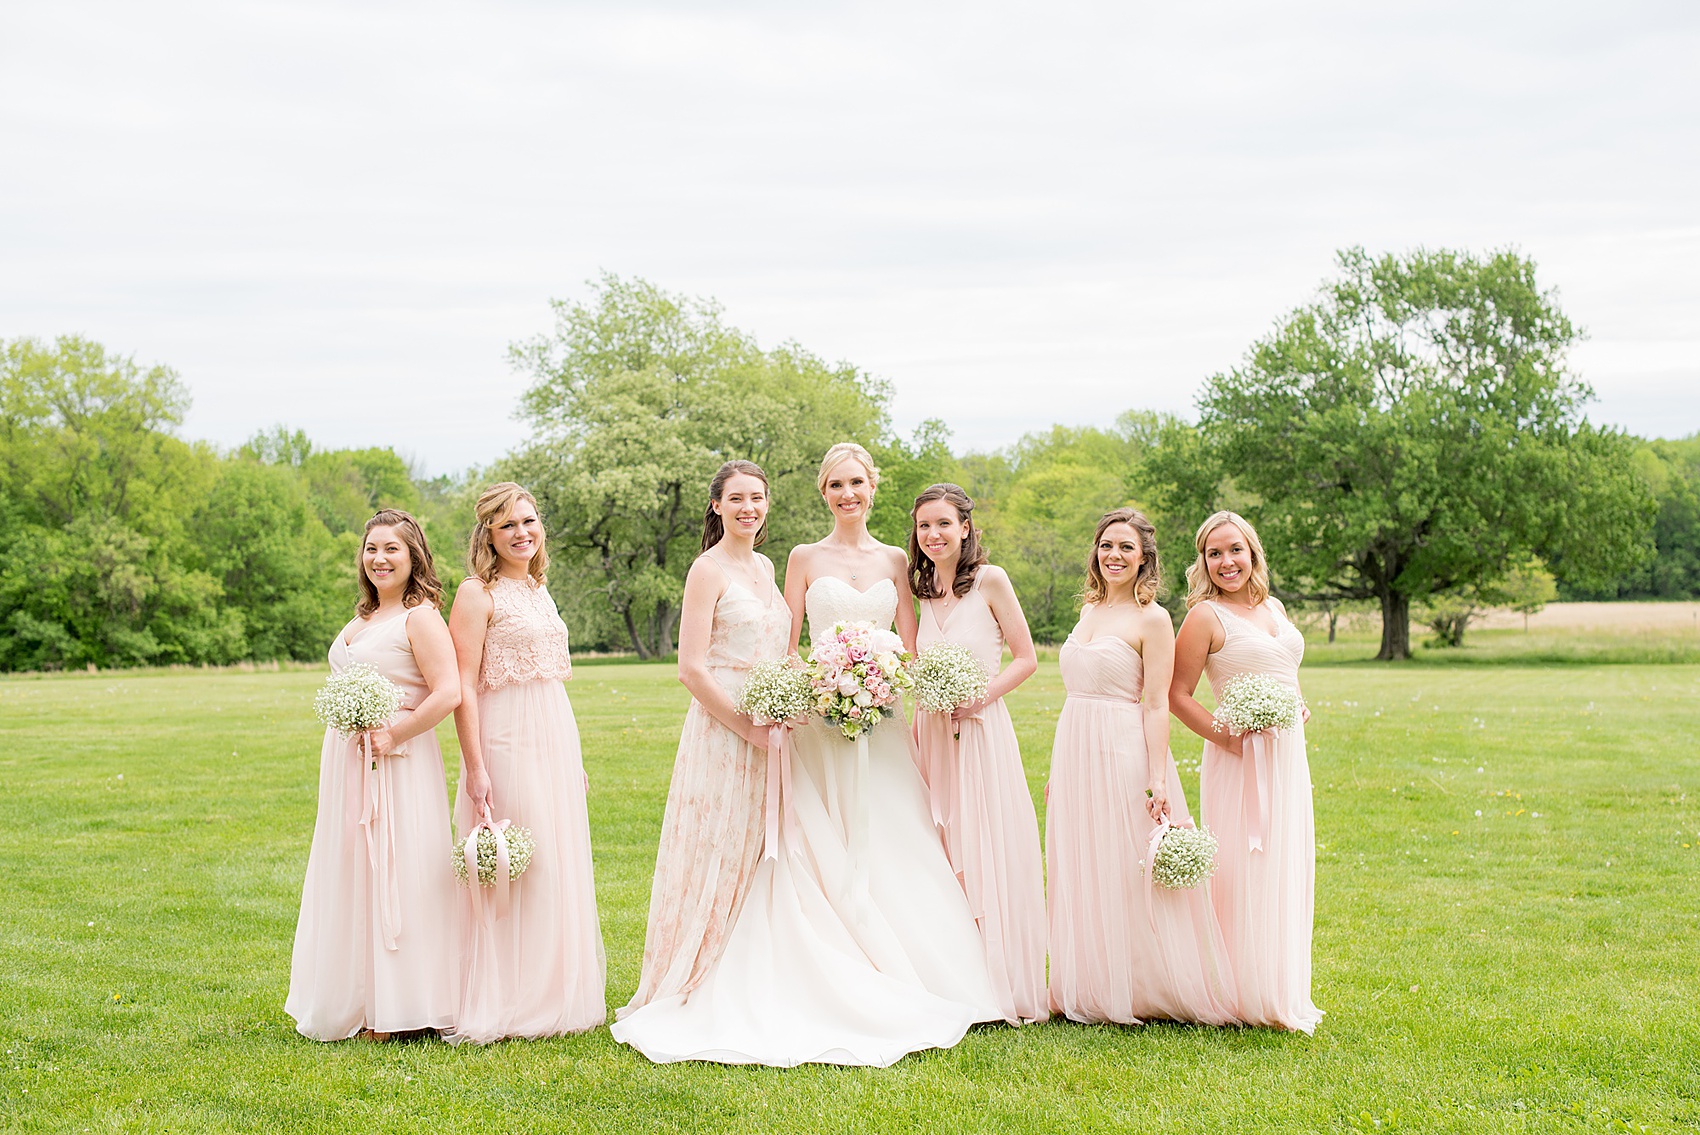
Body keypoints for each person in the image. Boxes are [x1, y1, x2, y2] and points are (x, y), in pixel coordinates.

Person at [612, 442, 999, 1066]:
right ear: (822, 492)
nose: (847, 494)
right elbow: (784, 644)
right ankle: (825, 951)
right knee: (816, 842)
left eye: (856, 483)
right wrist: (813, 690)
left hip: (882, 715)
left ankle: (920, 969)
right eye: (835, 485)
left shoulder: (897, 559)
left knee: (895, 834)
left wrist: (882, 684)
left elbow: (909, 641)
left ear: (873, 487)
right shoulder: (793, 558)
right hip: (814, 716)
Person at [1045, 508, 1237, 1026]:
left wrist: (1156, 775)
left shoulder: (1152, 618)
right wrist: (1056, 773)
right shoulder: (1086, 611)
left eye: (1126, 548)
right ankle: (1094, 980)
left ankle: (1148, 985)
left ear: (1144, 557)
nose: (1114, 556)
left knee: (1130, 863)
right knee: (1088, 859)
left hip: (1124, 748)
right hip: (1076, 746)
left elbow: (1156, 703)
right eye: (1106, 546)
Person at [617, 461, 789, 1020]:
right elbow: (690, 668)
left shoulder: (766, 566)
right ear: (716, 506)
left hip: (777, 725)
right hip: (724, 727)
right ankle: (701, 970)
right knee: (720, 843)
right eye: (736, 498)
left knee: (767, 848)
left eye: (757, 498)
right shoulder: (706, 570)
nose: (749, 508)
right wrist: (747, 727)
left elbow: (781, 651)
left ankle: (759, 969)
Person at [286, 509, 461, 1041]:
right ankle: (360, 999)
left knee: (399, 868)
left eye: (392, 549)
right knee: (355, 870)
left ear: (414, 557)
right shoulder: (361, 619)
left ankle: (401, 1009)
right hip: (348, 763)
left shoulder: (421, 618)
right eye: (371, 549)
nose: (379, 559)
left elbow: (449, 691)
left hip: (398, 762)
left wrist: (393, 735)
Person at [444, 482, 605, 1043]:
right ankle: (506, 997)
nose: (522, 533)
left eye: (530, 522)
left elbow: (550, 682)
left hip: (553, 736)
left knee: (556, 861)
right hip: (504, 738)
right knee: (515, 866)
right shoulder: (475, 593)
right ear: (488, 532)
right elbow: (461, 684)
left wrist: (574, 756)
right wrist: (475, 765)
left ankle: (552, 991)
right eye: (508, 524)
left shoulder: (539, 589)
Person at [1169, 510, 1323, 1034]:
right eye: (1214, 553)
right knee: (1243, 866)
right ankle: (1241, 991)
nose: (1226, 561)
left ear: (1252, 552)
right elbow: (1177, 696)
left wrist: (1298, 703)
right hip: (1237, 759)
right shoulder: (1204, 617)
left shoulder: (1274, 607)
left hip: (1286, 755)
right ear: (1203, 562)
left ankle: (1278, 987)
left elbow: (1285, 670)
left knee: (1285, 859)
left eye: (1234, 549)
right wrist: (1228, 738)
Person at [908, 482, 1047, 1024]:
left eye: (943, 524)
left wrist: (976, 698)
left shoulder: (992, 581)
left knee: (983, 843)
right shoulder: (919, 590)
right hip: (931, 733)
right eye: (924, 526)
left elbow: (1026, 657)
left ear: (965, 528)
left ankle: (1000, 980)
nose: (933, 535)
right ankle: (953, 974)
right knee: (939, 846)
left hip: (981, 729)